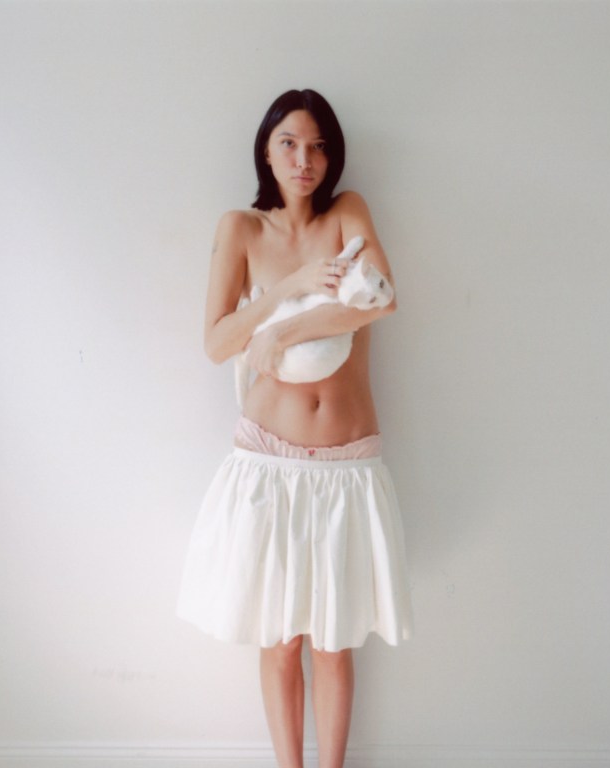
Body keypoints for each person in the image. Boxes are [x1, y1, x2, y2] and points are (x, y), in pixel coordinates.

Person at [176, 89, 413, 768]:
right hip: (267, 462)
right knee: (280, 638)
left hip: (346, 461)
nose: (304, 159)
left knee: (333, 641)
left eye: (317, 147)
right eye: (289, 143)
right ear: (266, 150)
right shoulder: (242, 229)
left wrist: (282, 333)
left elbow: (379, 300)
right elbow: (217, 342)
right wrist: (293, 286)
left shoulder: (348, 213)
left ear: (332, 157)